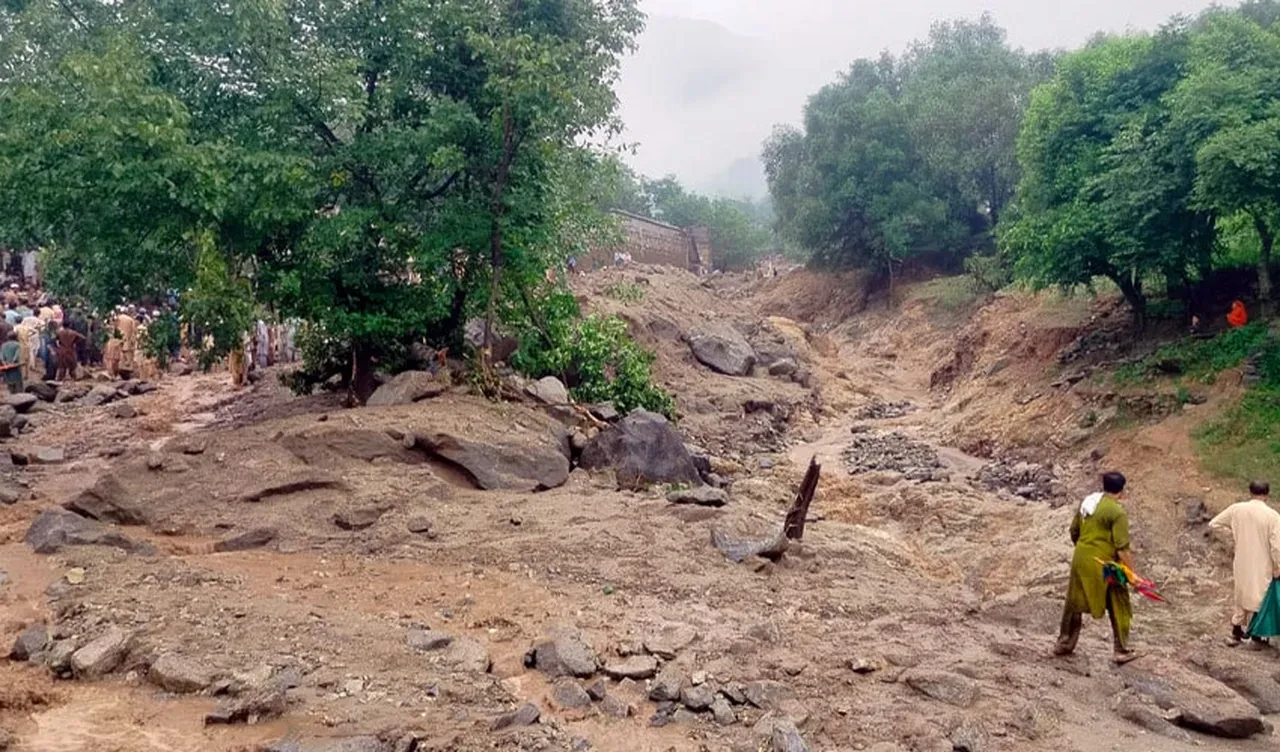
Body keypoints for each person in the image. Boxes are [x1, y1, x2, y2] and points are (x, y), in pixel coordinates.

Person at [1055, 472, 1140, 664]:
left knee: (1073, 602)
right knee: (1119, 600)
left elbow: (1073, 530)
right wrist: (1131, 574)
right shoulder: (1117, 512)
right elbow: (1122, 548)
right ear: (1121, 490)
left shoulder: (1088, 503)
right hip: (1105, 564)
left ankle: (1064, 643)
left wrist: (1084, 550)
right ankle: (1121, 650)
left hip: (1081, 557)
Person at [1209, 482, 1280, 647]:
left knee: (1241, 593)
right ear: (1267, 493)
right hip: (1263, 561)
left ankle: (1237, 629)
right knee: (1261, 596)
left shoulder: (1237, 509)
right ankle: (1258, 634)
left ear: (1250, 492)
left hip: (1241, 559)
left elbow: (1214, 524)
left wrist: (1234, 536)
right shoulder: (1273, 516)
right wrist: (1278, 565)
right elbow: (1276, 546)